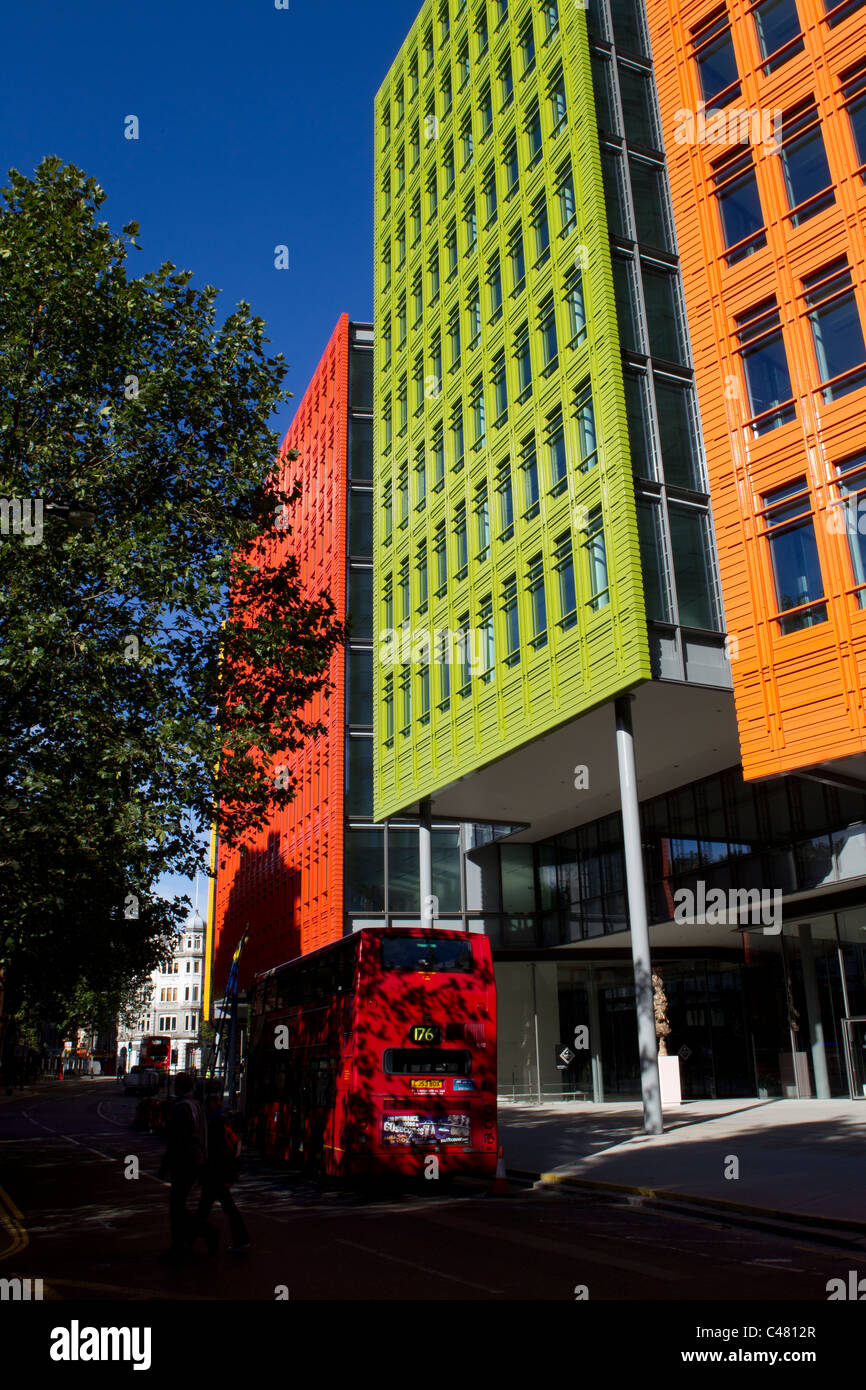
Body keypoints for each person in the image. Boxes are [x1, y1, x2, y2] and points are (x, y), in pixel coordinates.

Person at [157, 1073, 207, 1263]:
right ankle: (188, 1240)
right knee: (178, 1205)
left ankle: (187, 1241)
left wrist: (165, 1165)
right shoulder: (196, 1105)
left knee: (176, 1206)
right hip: (196, 1160)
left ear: (178, 1087)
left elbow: (177, 1140)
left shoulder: (182, 1108)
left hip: (184, 1162)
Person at [194, 1095, 250, 1255]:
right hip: (219, 1172)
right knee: (213, 1208)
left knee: (210, 1208)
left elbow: (214, 1150)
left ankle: (192, 1240)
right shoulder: (223, 1120)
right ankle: (240, 1239)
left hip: (215, 1172)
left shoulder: (214, 1123)